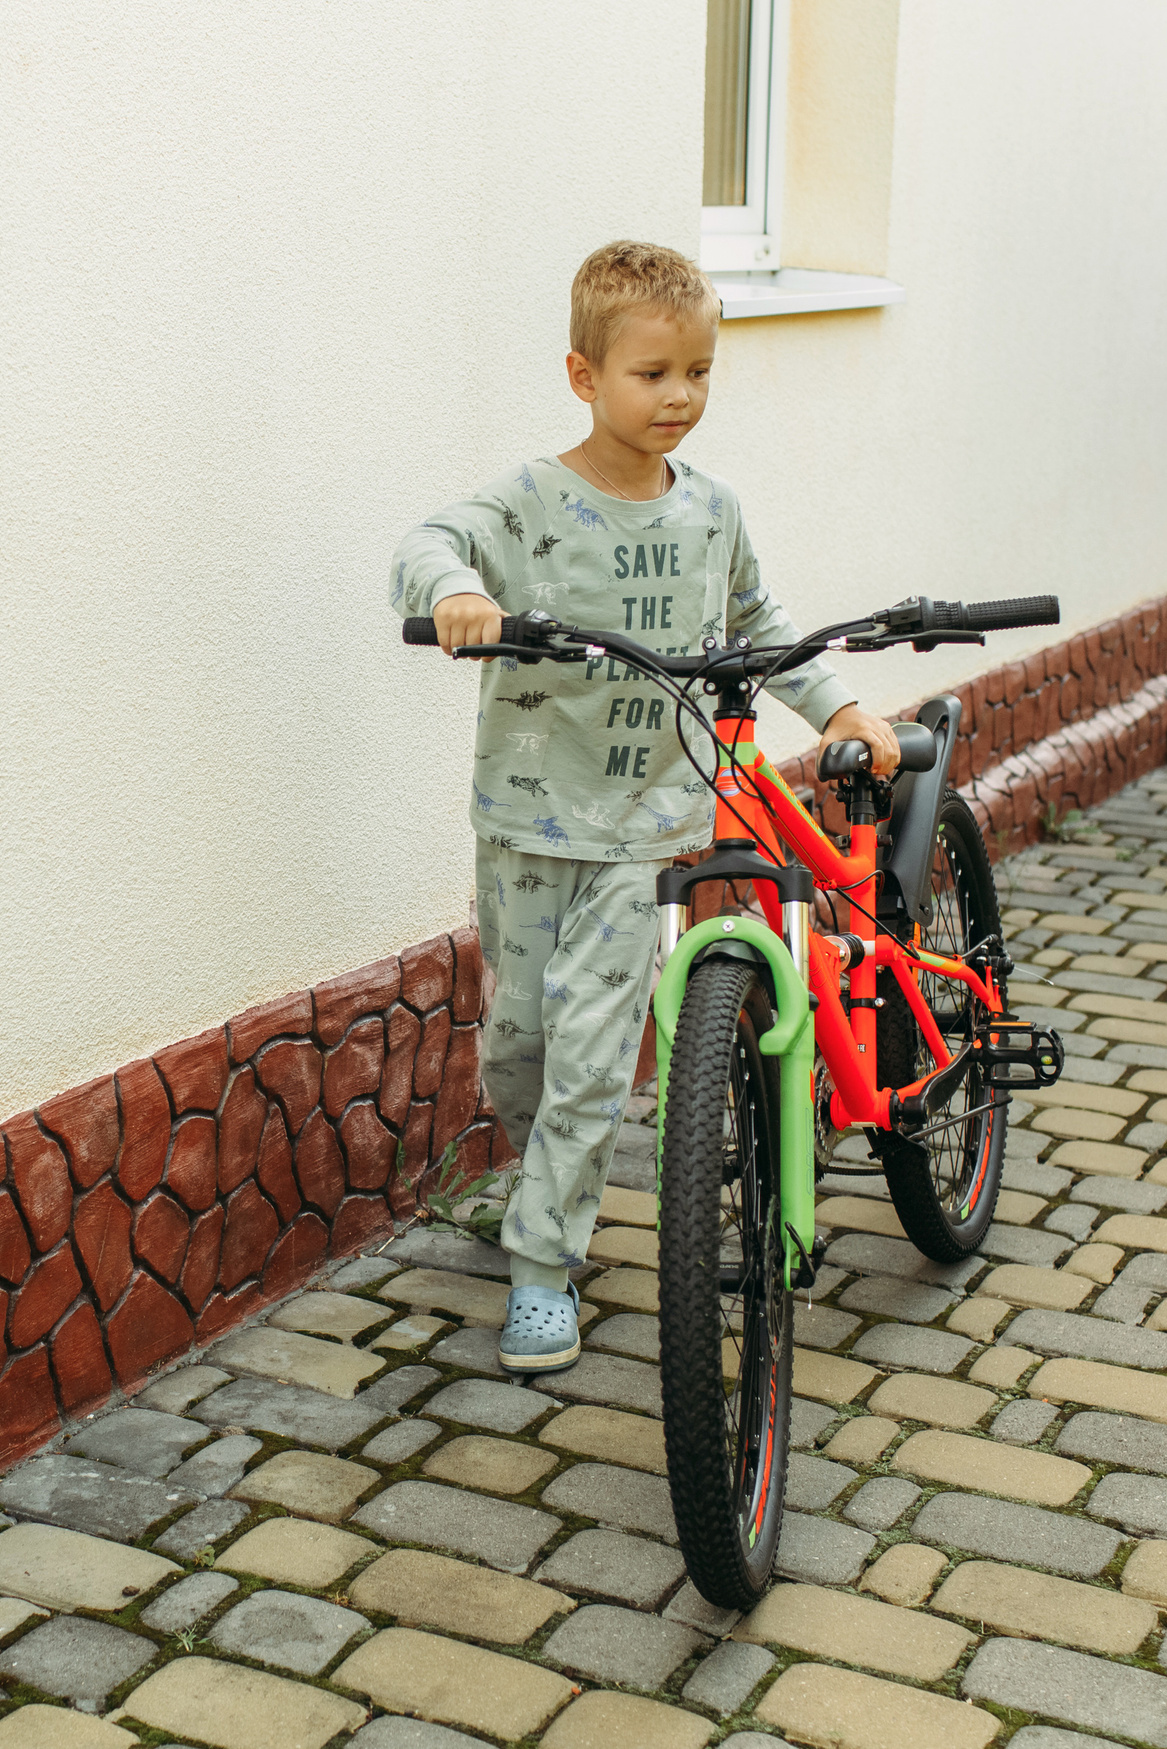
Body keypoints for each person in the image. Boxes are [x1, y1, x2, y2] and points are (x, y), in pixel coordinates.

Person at [388, 240, 902, 1374]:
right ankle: (541, 1191)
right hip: (525, 824)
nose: (680, 397)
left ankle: (542, 1268)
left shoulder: (712, 512)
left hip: (648, 829)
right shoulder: (529, 505)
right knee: (517, 1048)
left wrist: (839, 710)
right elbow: (428, 543)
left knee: (588, 1050)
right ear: (584, 376)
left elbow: (761, 630)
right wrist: (461, 593)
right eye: (652, 374)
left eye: (699, 374)